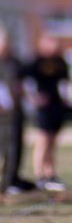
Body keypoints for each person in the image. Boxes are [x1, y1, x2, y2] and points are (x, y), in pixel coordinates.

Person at [21, 34, 70, 191]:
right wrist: (34, 98)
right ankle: (39, 175)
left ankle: (51, 174)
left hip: (57, 106)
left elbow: (65, 82)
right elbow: (25, 82)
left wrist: (66, 97)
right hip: (44, 108)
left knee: (52, 141)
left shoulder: (60, 61)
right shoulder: (36, 62)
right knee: (42, 140)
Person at [1, 25, 34, 196]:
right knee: (5, 147)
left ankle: (11, 180)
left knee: (15, 147)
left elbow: (24, 82)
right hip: (2, 114)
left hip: (15, 111)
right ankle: (5, 183)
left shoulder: (14, 62)